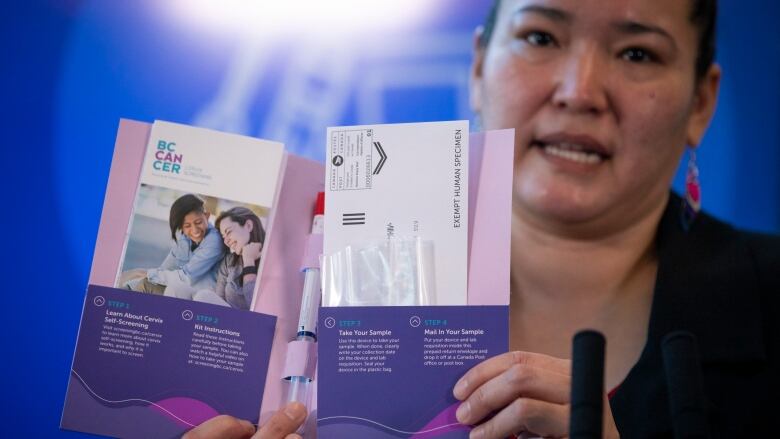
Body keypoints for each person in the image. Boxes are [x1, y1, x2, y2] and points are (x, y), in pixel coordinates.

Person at [450, 0, 779, 438]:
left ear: (700, 102)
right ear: (478, 68)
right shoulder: (344, 285)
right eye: (540, 37)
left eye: (636, 54)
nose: (579, 92)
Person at [119, 193, 224, 295]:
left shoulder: (214, 242)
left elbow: (185, 277)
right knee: (128, 286)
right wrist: (130, 285)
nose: (195, 230)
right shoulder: (184, 238)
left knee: (146, 285)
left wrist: (140, 272)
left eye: (198, 222)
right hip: (180, 289)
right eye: (187, 225)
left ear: (207, 216)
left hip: (201, 296)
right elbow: (165, 270)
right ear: (181, 227)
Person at [172, 206, 265, 310]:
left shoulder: (270, 260)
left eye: (228, 232)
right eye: (223, 236)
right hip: (223, 320)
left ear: (248, 226)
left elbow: (259, 309)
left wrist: (249, 261)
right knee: (176, 289)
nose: (226, 241)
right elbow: (218, 299)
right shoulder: (229, 261)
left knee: (203, 296)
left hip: (246, 323)